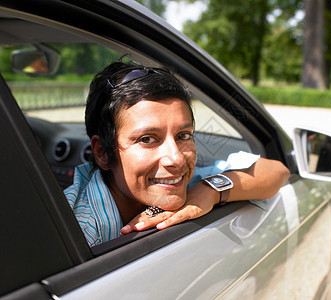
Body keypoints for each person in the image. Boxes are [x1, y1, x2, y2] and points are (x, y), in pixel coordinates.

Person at [65, 60, 290, 246]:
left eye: (183, 135)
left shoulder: (194, 184)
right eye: (147, 139)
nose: (177, 158)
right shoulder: (80, 232)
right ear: (103, 153)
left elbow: (277, 171)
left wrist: (210, 191)